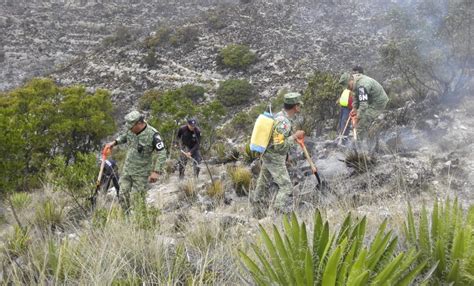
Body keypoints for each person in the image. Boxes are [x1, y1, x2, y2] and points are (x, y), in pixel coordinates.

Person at [251, 92, 305, 218]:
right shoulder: (283, 123)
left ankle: (256, 212)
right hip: (274, 157)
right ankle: (279, 212)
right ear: (295, 106)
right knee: (286, 186)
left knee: (263, 182)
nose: (300, 108)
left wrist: (287, 155)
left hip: (268, 155)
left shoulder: (280, 115)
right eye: (299, 105)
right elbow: (279, 146)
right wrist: (295, 136)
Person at [105, 110, 166, 212]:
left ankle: (141, 223)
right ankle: (128, 219)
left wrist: (156, 171)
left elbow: (162, 153)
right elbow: (125, 136)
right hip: (127, 169)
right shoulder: (131, 130)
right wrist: (115, 142)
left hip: (141, 173)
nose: (130, 129)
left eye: (131, 126)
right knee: (122, 195)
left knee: (138, 200)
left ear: (139, 123)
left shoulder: (153, 135)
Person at [338, 72, 388, 141]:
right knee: (361, 118)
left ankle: (361, 146)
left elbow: (363, 105)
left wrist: (357, 117)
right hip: (370, 100)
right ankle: (366, 140)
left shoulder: (362, 86)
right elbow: (356, 96)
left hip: (378, 103)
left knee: (362, 123)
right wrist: (354, 108)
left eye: (348, 86)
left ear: (350, 80)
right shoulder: (355, 82)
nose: (348, 89)